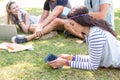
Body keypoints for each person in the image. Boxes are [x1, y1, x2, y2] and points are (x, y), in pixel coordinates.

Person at [47, 6, 120, 70]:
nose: (71, 27)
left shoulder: (95, 35)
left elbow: (93, 66)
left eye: (72, 24)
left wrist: (66, 62)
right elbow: (93, 59)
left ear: (81, 21)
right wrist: (70, 57)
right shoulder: (91, 32)